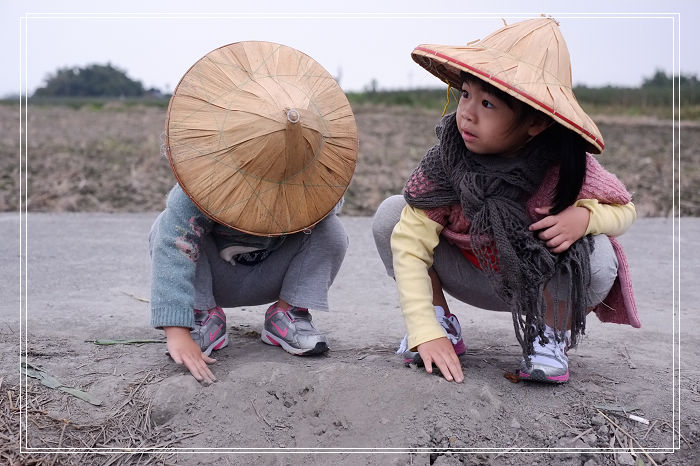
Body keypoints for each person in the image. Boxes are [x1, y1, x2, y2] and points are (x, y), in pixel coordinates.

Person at [372, 17, 641, 384]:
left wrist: (583, 217)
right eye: (466, 94)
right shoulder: (447, 161)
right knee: (393, 216)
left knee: (599, 253)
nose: (467, 112)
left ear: (536, 123)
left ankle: (547, 335)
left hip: (537, 285)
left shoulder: (562, 166)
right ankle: (441, 325)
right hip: (470, 274)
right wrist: (424, 329)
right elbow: (410, 244)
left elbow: (624, 209)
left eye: (488, 103)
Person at [149, 41, 358, 384]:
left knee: (331, 231)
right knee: (165, 229)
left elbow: (324, 233)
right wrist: (176, 331)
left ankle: (287, 314)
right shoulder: (200, 188)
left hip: (272, 274)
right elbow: (175, 245)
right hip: (215, 281)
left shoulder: (311, 185)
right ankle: (202, 317)